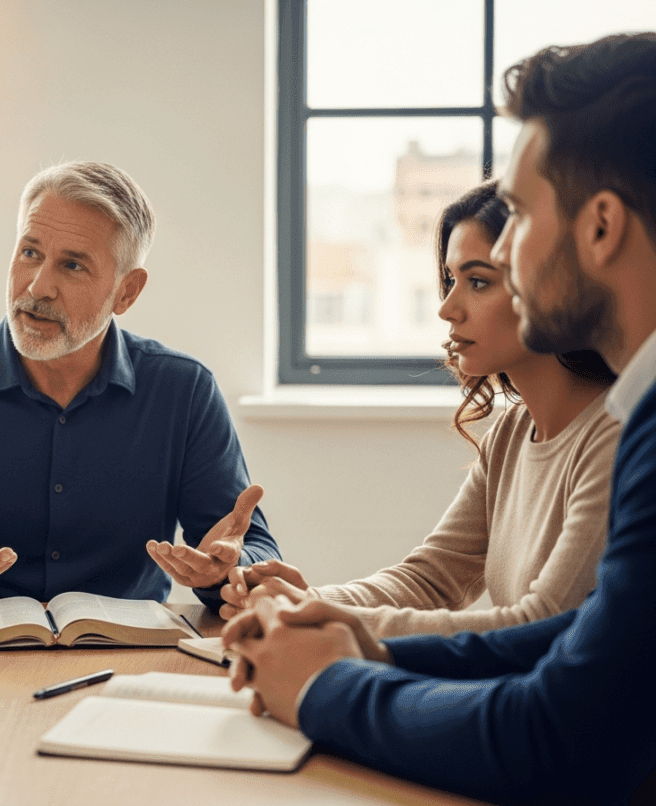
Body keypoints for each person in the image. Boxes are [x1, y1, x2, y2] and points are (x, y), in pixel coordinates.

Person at [223, 32, 656, 805]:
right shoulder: (615, 413)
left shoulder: (632, 433)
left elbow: (559, 730)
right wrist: (348, 637)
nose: (510, 259)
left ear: (599, 227)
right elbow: (580, 645)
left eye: (519, 219)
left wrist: (326, 683)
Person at [0, 161, 277, 615]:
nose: (39, 286)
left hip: (128, 661)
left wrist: (228, 570)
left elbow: (253, 550)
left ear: (127, 292)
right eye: (30, 253)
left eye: (72, 265)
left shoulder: (184, 391)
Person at [220, 182, 619, 638]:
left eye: (479, 281)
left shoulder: (614, 436)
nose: (448, 308)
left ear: (548, 288)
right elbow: (430, 580)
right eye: (451, 281)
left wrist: (325, 618)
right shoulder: (511, 431)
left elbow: (539, 627)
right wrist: (305, 601)